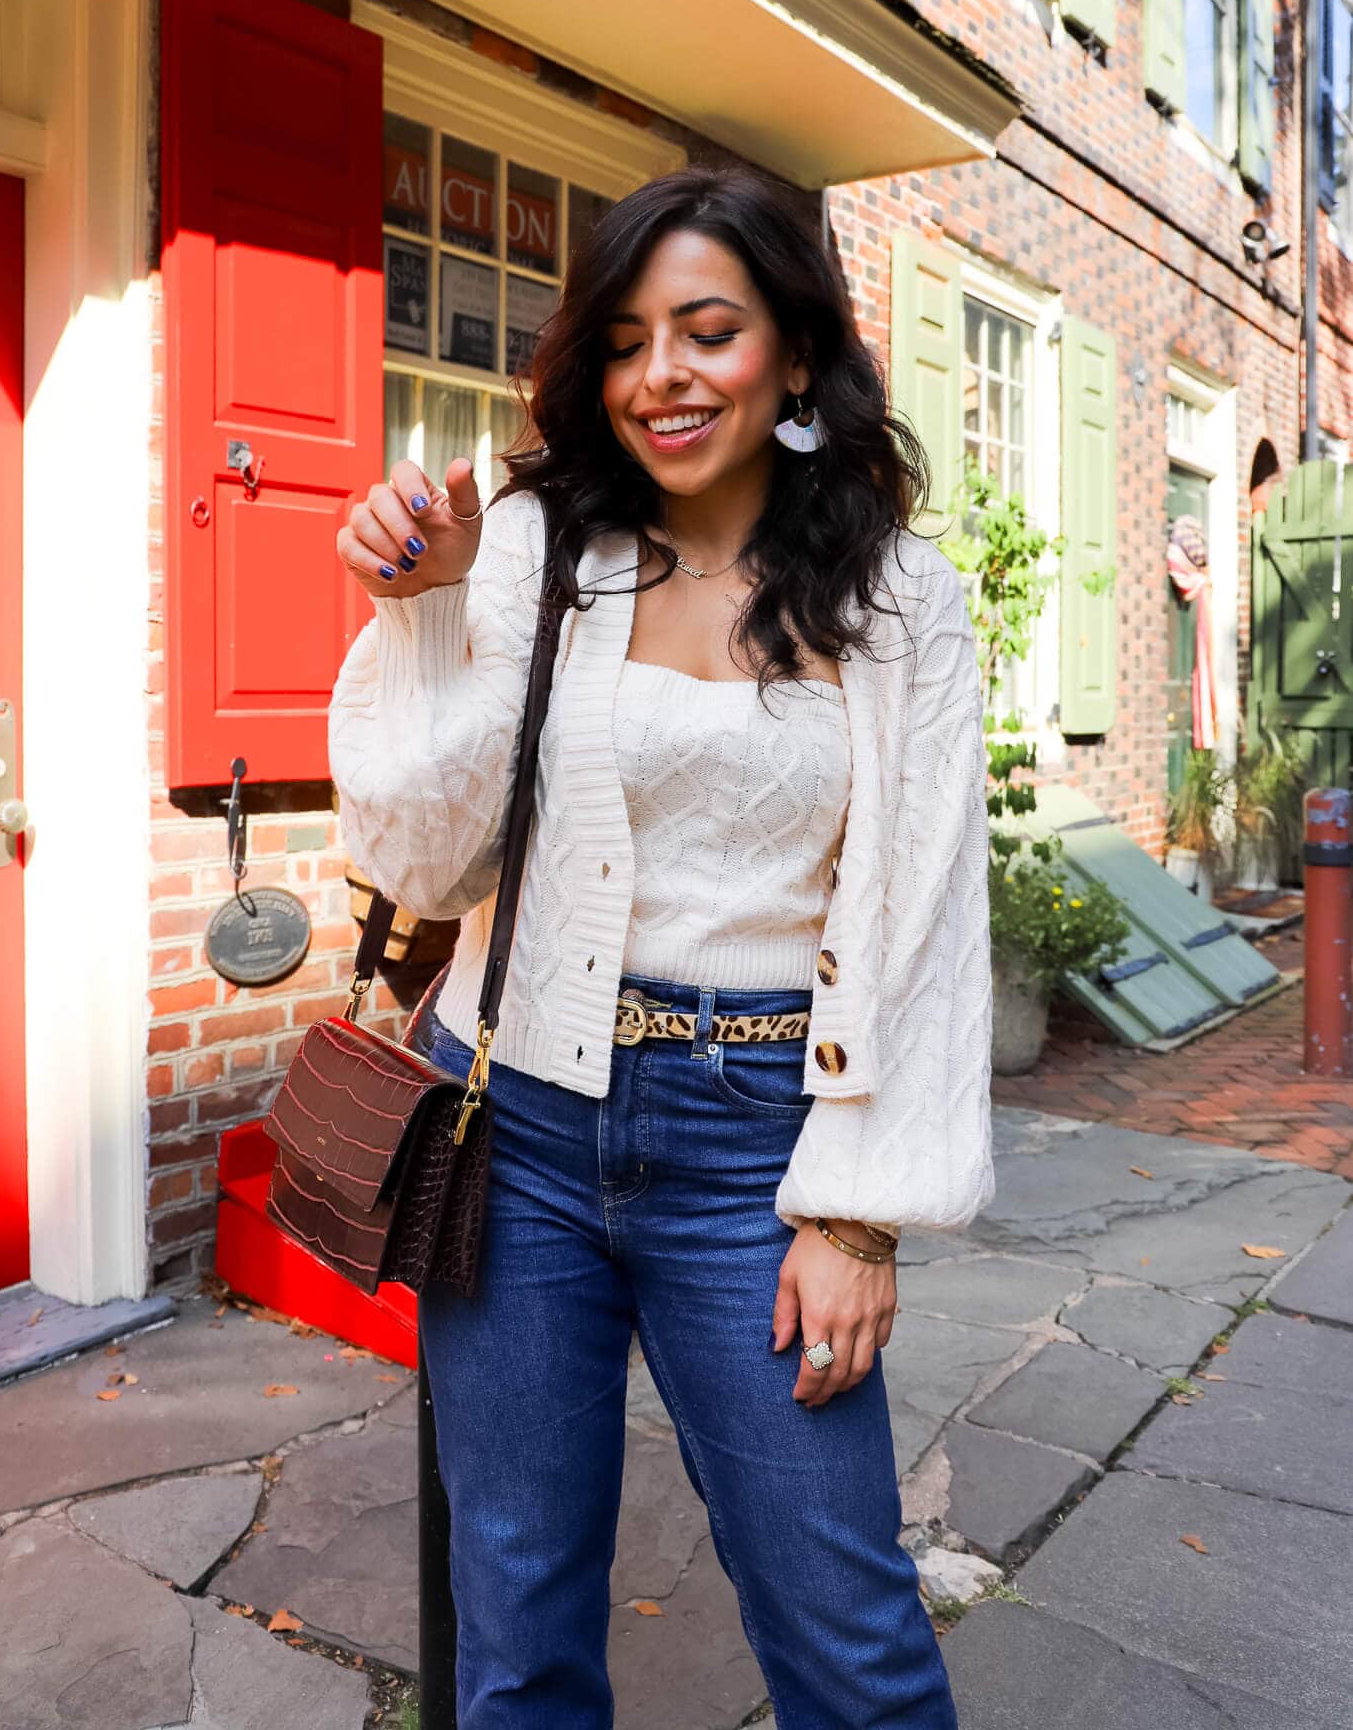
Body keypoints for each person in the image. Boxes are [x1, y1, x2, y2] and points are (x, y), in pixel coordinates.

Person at [329, 165, 993, 1728]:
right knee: (516, 1632)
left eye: (706, 330)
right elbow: (421, 856)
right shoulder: (527, 547)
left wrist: (859, 1215)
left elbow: (918, 915)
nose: (659, 378)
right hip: (523, 1133)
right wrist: (422, 615)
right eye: (624, 342)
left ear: (799, 357)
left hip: (757, 1150)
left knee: (847, 1635)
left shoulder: (899, 605)